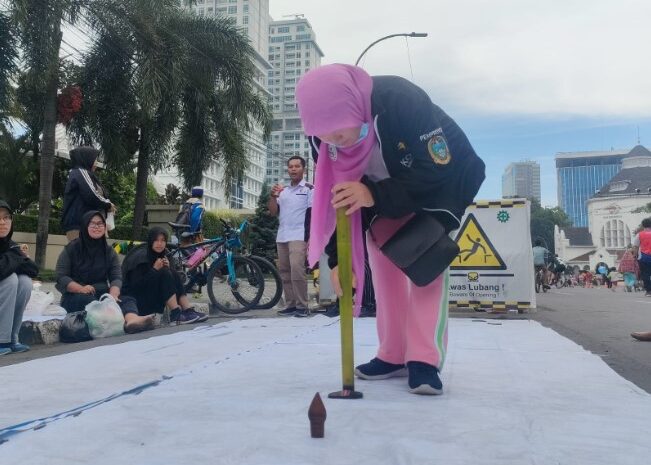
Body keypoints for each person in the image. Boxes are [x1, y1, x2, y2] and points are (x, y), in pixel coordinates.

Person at [295, 64, 485, 395]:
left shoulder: (400, 99)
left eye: (339, 133)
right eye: (324, 136)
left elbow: (437, 169)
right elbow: (333, 196)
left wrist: (372, 194)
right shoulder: (321, 138)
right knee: (382, 264)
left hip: (439, 181)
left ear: (354, 105)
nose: (333, 142)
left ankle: (424, 359)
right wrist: (338, 260)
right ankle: (393, 353)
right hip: (379, 192)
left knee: (425, 264)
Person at [56, 211, 154, 333]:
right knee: (91, 303)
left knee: (126, 299)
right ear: (85, 225)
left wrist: (113, 293)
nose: (97, 227)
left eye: (100, 223)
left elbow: (116, 276)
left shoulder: (108, 251)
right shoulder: (71, 249)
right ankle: (113, 322)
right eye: (92, 224)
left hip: (101, 293)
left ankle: (131, 321)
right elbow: (61, 277)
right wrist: (80, 288)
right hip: (76, 295)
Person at [121, 227, 207, 324]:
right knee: (164, 272)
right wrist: (154, 270)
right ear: (150, 241)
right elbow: (135, 286)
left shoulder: (164, 254)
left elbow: (169, 280)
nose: (159, 244)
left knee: (172, 272)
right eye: (156, 240)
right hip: (136, 303)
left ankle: (187, 310)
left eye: (163, 241)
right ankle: (175, 314)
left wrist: (168, 268)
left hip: (152, 297)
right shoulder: (141, 258)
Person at [267, 156, 313, 317]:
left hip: (299, 235)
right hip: (282, 235)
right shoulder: (283, 191)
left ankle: (302, 306)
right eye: (291, 167)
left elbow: (312, 214)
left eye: (297, 166)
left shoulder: (309, 189)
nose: (293, 169)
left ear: (303, 169)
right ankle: (291, 304)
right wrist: (272, 196)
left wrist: (310, 238)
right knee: (285, 271)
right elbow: (273, 212)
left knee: (297, 270)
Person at [0, 200, 38, 355]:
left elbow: (33, 269)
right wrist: (16, 259)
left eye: (6, 217)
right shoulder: (14, 249)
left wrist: (13, 259)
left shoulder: (11, 245)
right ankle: (2, 340)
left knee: (25, 282)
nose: (3, 222)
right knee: (11, 280)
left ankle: (11, 338)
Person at [61, 147, 115, 241]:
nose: (96, 164)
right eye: (95, 160)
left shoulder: (87, 175)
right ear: (86, 159)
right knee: (83, 255)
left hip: (90, 225)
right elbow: (91, 195)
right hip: (81, 225)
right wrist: (108, 204)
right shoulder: (80, 172)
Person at [632, 217, 651, 296]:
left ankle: (649, 291)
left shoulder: (639, 235)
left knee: (645, 274)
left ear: (643, 225)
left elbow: (636, 247)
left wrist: (634, 256)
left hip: (644, 257)